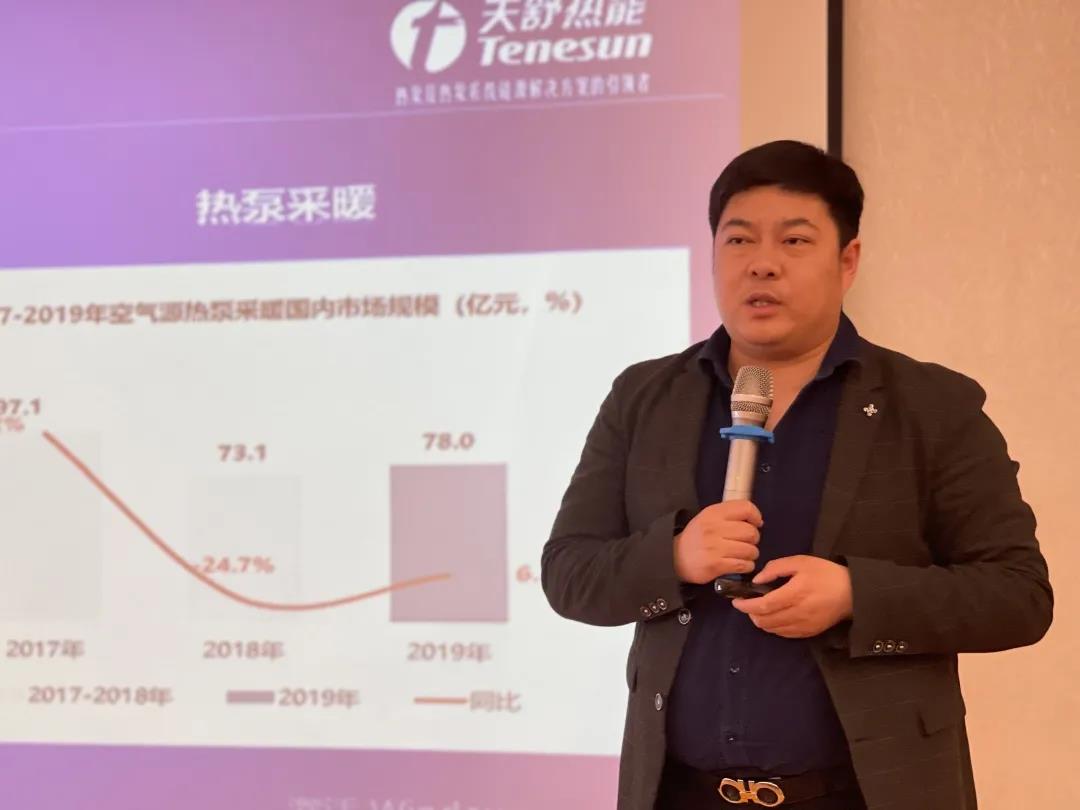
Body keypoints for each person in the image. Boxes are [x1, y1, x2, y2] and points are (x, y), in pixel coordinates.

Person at [541, 140, 1053, 810]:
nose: (762, 263)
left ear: (848, 261)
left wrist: (855, 595)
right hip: (680, 793)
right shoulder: (645, 398)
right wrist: (674, 557)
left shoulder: (932, 406)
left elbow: (1017, 596)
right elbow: (569, 572)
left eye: (794, 240)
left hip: (866, 795)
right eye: (739, 240)